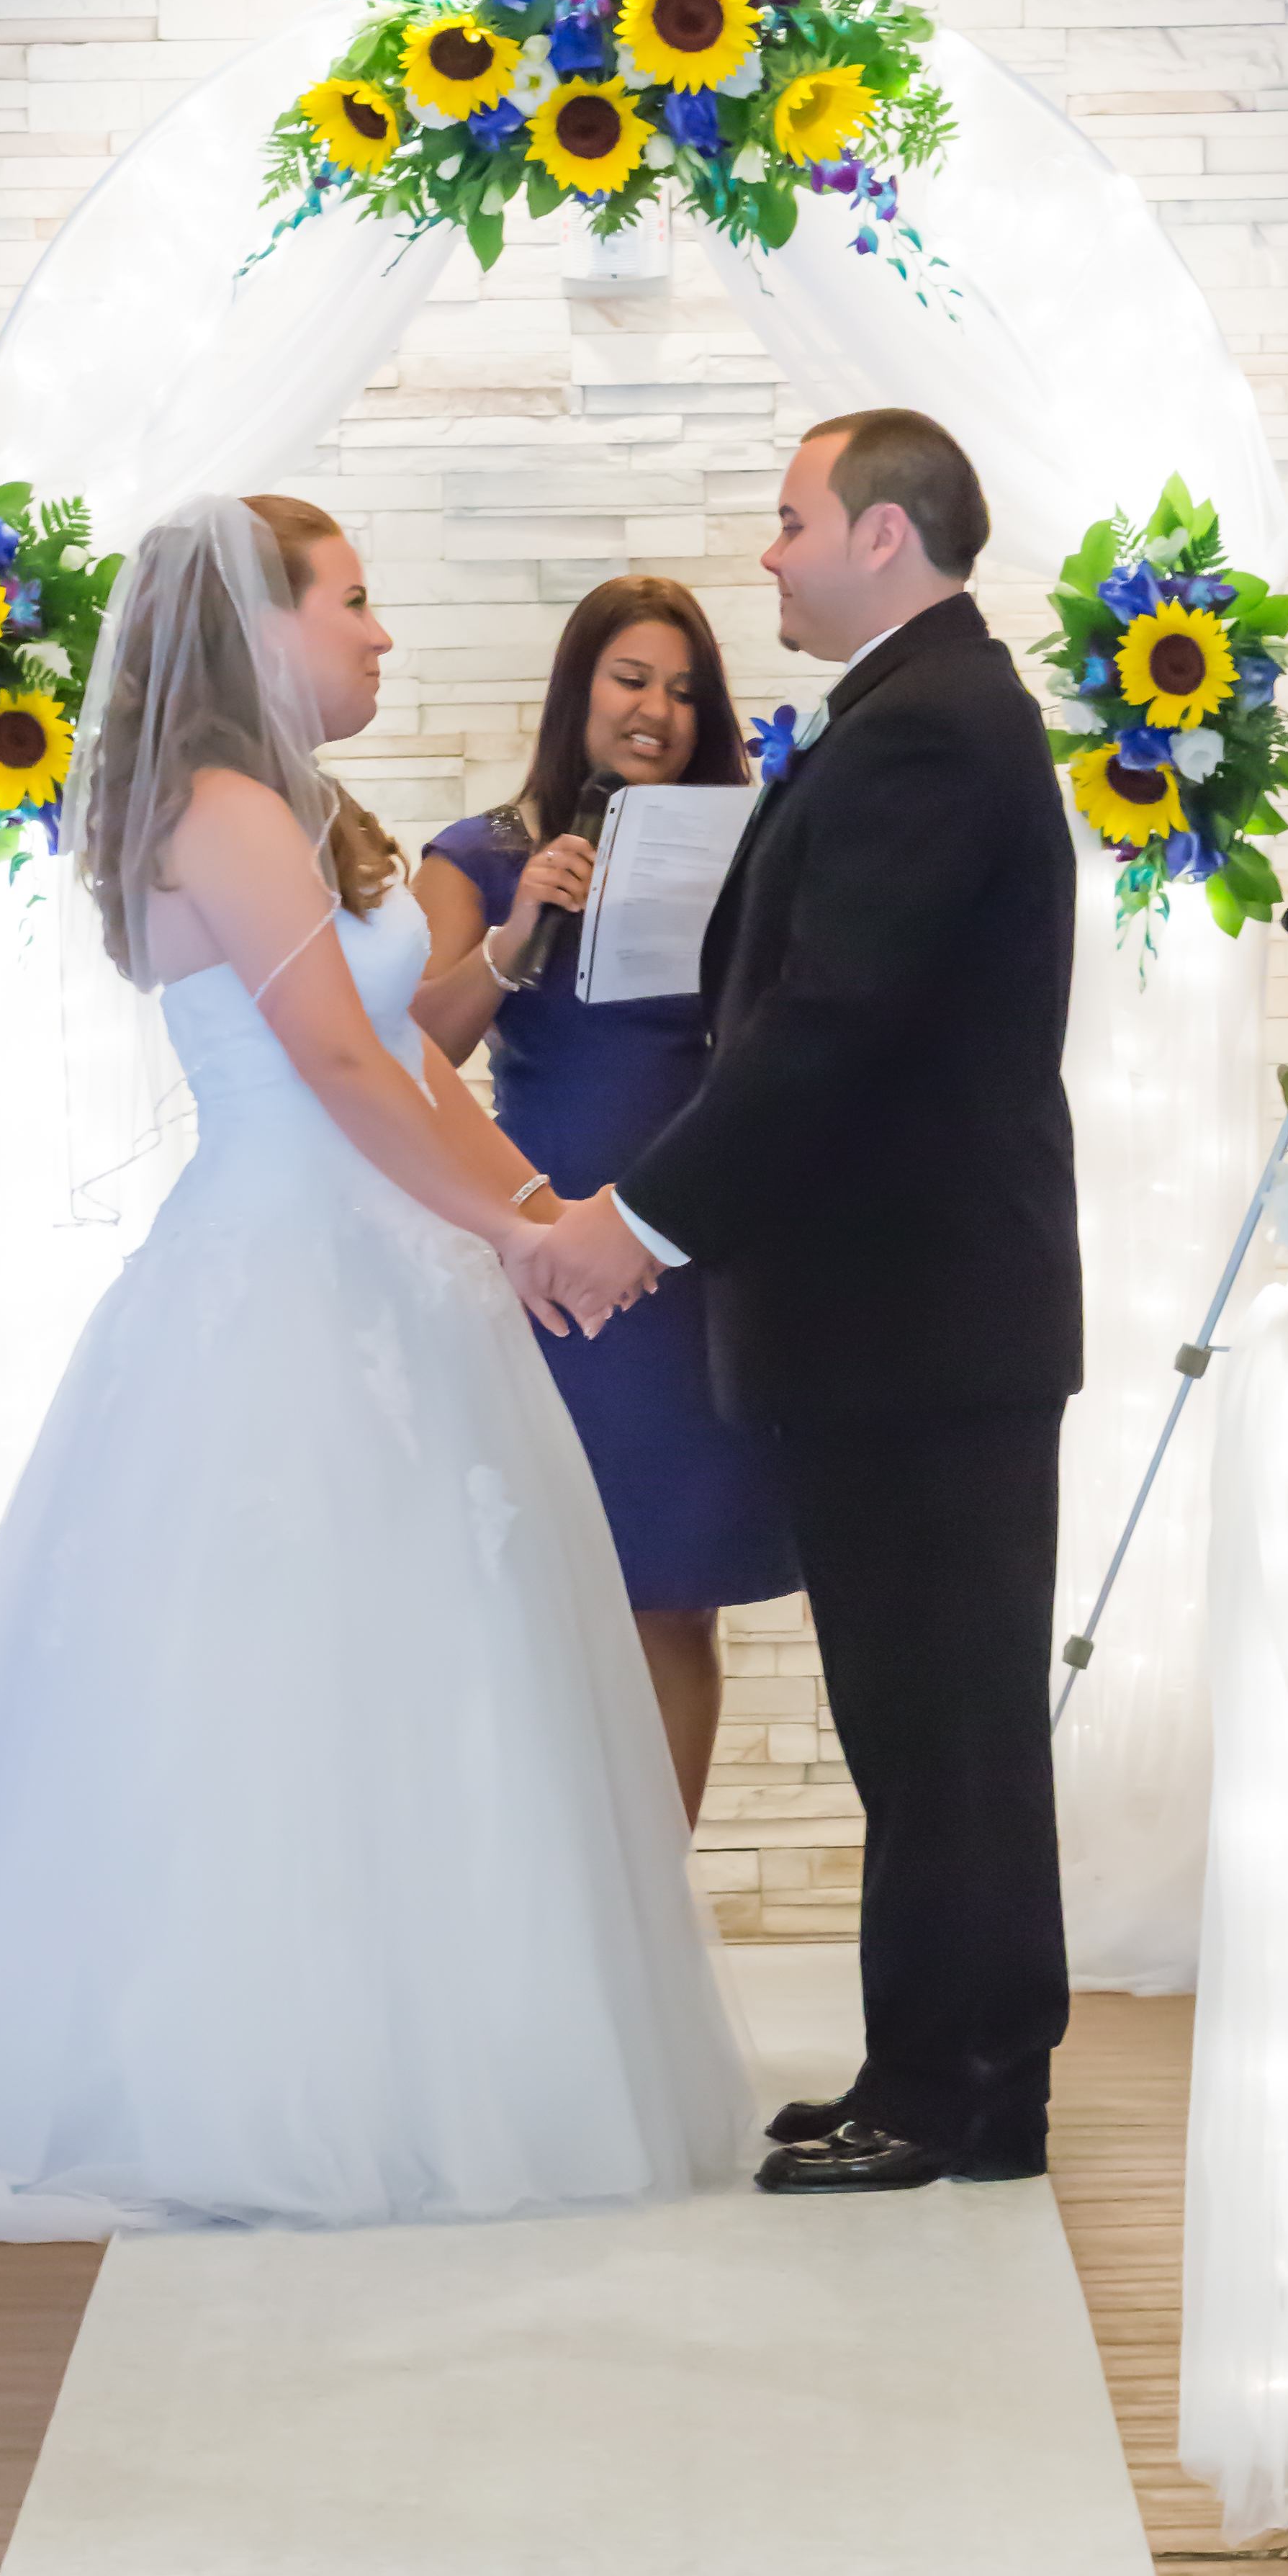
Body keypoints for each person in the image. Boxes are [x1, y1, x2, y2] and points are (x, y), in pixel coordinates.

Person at [0, 495, 744, 2240]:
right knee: (272, 1676)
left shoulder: (302, 807)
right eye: (355, 602)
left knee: (418, 1672)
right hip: (285, 1270)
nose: (382, 635)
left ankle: (435, 2048)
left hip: (389, 1259)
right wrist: (514, 1233)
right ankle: (252, 2069)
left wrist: (542, 1206)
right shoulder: (217, 805)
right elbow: (336, 1062)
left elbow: (412, 1067)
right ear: (265, 624)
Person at [518, 411, 1079, 2197]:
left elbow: (825, 1032)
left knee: (945, 1725)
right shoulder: (919, 711)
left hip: (915, 1321)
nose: (765, 555)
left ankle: (959, 2088)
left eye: (789, 522)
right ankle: (944, 2068)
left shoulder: (925, 730)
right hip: (906, 1321)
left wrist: (639, 1222)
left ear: (887, 537)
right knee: (925, 1724)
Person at [411, 579, 797, 1824]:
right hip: (541, 1260)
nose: (658, 711)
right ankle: (534, 1907)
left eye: (685, 691)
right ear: (578, 687)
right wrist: (521, 932)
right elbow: (416, 1049)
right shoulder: (477, 855)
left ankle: (650, 1919)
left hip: (689, 1260)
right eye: (632, 678)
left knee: (671, 1593)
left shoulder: (745, 847)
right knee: (525, 1589)